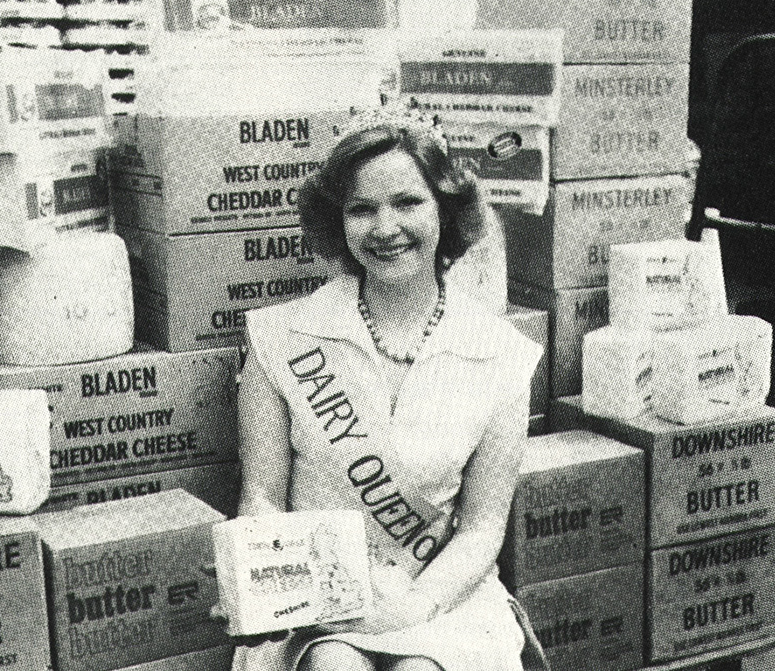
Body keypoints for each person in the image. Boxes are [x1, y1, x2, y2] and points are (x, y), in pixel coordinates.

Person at [234, 113, 545, 671]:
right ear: (339, 222)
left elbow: (481, 529)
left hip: (440, 589)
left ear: (445, 209)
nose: (384, 227)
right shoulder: (277, 338)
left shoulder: (501, 353)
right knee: (334, 667)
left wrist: (414, 607)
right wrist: (255, 577)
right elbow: (262, 498)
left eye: (407, 202)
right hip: (319, 597)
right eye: (361, 209)